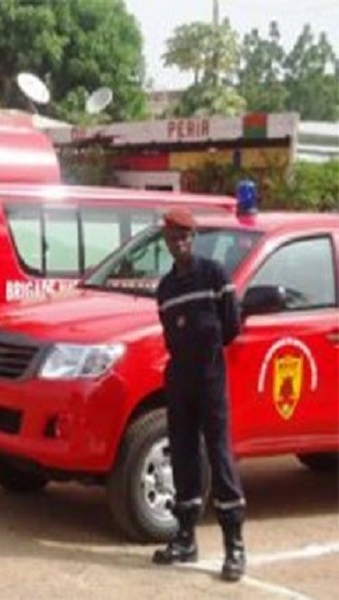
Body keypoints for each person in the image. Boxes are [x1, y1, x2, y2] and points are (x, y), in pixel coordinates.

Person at [153, 208, 246, 582]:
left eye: (185, 237)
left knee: (220, 458)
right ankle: (185, 538)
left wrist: (206, 355)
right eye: (173, 238)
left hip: (210, 376)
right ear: (166, 242)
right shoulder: (166, 288)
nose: (179, 243)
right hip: (180, 377)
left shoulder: (215, 276)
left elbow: (230, 326)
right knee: (184, 454)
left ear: (194, 237)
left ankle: (234, 547)